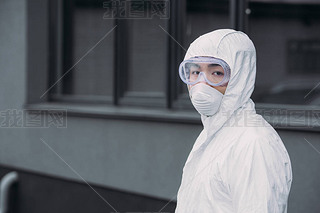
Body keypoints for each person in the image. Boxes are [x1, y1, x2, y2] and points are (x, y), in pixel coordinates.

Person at [175, 29, 293, 213]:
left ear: (240, 76)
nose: (201, 84)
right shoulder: (211, 133)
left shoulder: (254, 143)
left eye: (216, 73)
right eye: (195, 72)